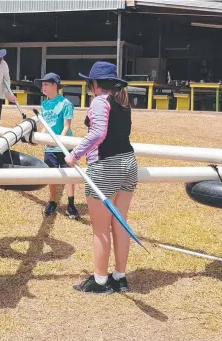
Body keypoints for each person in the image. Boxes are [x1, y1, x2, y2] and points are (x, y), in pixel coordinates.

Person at [64, 62, 138, 294]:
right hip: (128, 163)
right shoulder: (122, 102)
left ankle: (100, 280)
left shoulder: (99, 101)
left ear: (95, 84)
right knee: (120, 222)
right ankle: (120, 276)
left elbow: (98, 133)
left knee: (101, 228)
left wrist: (75, 155)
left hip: (106, 167)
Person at [34, 72, 80, 220]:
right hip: (50, 148)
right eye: (42, 85)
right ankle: (52, 201)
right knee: (51, 175)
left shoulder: (66, 104)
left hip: (65, 146)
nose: (43, 87)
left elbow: (66, 127)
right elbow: (45, 125)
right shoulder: (44, 104)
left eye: (46, 84)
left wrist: (58, 141)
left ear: (55, 85)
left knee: (70, 176)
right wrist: (40, 138)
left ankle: (71, 204)